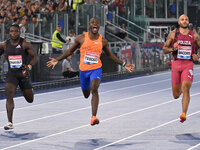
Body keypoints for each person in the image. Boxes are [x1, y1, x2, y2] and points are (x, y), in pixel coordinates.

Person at [47, 17, 134, 126]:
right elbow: (70, 51)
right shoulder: (81, 38)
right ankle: (86, 88)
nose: (95, 25)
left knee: (94, 89)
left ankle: (94, 117)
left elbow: (110, 55)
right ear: (89, 26)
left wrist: (124, 64)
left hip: (96, 69)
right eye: (92, 23)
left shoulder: (103, 41)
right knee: (86, 94)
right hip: (83, 70)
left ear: (99, 27)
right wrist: (58, 59)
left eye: (97, 23)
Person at [163, 14, 200, 123]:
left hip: (187, 65)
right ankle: (180, 93)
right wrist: (172, 49)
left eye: (186, 19)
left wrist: (197, 55)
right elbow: (164, 49)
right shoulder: (173, 34)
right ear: (179, 22)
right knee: (175, 95)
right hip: (176, 64)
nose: (184, 21)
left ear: (188, 21)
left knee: (186, 88)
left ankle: (183, 113)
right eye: (182, 19)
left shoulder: (194, 35)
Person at [0, 24, 38, 130]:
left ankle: (25, 88)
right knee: (9, 96)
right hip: (12, 74)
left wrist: (29, 66)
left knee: (30, 99)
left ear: (19, 32)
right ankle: (9, 122)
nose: (14, 33)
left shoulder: (25, 44)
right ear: (9, 32)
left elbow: (35, 56)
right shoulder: (4, 45)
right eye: (12, 31)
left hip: (23, 74)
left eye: (16, 31)